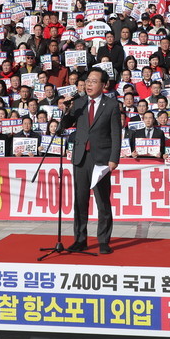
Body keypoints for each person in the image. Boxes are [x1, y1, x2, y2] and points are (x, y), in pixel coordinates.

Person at [60, 69, 121, 254]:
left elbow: (116, 133)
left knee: (102, 202)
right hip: (80, 158)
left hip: (101, 160)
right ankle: (80, 239)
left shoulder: (111, 105)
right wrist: (66, 110)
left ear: (103, 85)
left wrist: (113, 159)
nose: (89, 84)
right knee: (79, 201)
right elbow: (65, 125)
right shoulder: (78, 103)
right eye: (87, 81)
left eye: (94, 81)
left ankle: (103, 240)